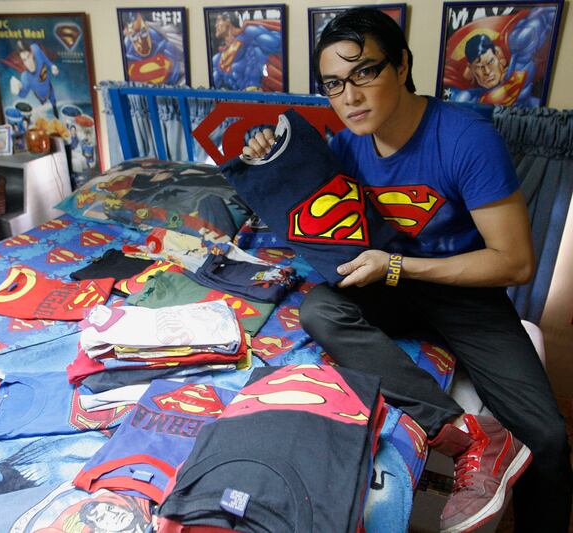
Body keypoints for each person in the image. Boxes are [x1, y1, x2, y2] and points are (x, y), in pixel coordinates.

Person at [243, 8, 571, 532]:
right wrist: (267, 154)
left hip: (462, 293)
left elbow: (515, 262)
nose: (350, 97)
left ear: (401, 66)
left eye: (364, 72)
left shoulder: (466, 138)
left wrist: (398, 265)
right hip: (389, 287)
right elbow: (304, 205)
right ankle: (465, 433)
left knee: (548, 437)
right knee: (320, 309)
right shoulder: (345, 146)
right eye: (333, 84)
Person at [444, 7, 557, 107]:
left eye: (490, 62)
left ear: (499, 56)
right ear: (470, 70)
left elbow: (544, 17)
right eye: (479, 67)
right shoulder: (466, 97)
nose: (487, 71)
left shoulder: (519, 65)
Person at [211, 11, 283, 91]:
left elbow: (278, 43)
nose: (216, 25)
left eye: (218, 21)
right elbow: (216, 87)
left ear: (228, 21)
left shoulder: (249, 33)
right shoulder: (217, 59)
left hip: (260, 94)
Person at [122, 11, 185, 86]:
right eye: (134, 36)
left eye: (143, 32)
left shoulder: (164, 43)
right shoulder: (127, 52)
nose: (141, 41)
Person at [10, 40, 59, 118]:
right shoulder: (25, 77)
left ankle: (54, 107)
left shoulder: (36, 50)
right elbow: (23, 94)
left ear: (32, 53)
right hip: (40, 97)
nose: (28, 62)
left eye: (28, 56)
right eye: (24, 60)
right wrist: (18, 89)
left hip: (49, 89)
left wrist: (52, 66)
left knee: (53, 100)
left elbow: (45, 60)